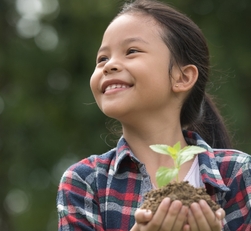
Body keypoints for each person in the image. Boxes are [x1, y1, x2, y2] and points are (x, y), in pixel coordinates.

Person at [57, 0, 251, 230]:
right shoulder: (84, 182)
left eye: (131, 51)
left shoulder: (238, 172)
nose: (109, 66)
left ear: (182, 77)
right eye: (102, 58)